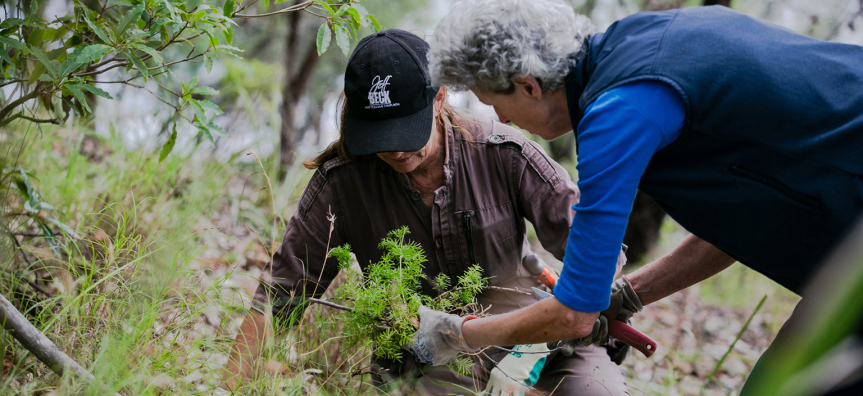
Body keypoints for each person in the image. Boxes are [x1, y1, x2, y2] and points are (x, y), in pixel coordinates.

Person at [407, 1, 863, 393]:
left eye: (492, 100)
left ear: (529, 84)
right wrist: (629, 293)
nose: (498, 116)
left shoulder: (618, 113)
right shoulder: (644, 46)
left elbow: (573, 317)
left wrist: (459, 334)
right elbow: (744, 223)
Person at [221, 29, 632, 395]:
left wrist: (577, 302)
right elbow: (279, 299)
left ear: (439, 98)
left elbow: (600, 251)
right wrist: (228, 387)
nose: (396, 150)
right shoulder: (341, 184)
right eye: (381, 135)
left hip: (535, 342)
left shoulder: (504, 154)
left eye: (405, 131)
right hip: (426, 363)